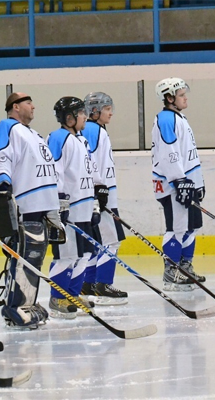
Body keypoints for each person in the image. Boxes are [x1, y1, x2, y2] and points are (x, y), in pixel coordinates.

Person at [0, 92, 61, 329]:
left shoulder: (33, 134)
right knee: (25, 255)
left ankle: (27, 302)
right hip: (26, 204)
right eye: (29, 102)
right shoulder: (8, 127)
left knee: (34, 256)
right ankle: (14, 305)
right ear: (15, 107)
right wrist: (4, 186)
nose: (33, 106)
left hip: (41, 203)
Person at [46, 96, 101, 318]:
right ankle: (57, 297)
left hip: (85, 206)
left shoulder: (81, 140)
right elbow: (54, 170)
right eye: (81, 113)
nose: (85, 116)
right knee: (67, 255)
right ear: (69, 118)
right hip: (69, 207)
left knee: (85, 253)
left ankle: (72, 293)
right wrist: (59, 201)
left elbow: (89, 171)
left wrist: (96, 199)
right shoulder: (58, 138)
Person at [151, 77, 206, 292]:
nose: (186, 99)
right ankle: (171, 271)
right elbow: (169, 152)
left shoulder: (179, 118)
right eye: (181, 95)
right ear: (169, 97)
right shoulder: (166, 118)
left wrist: (197, 182)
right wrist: (179, 180)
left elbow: (188, 155)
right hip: (173, 184)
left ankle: (184, 267)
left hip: (188, 182)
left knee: (191, 227)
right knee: (176, 229)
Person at [80, 92, 128, 305]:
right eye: (107, 109)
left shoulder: (94, 130)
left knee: (97, 241)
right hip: (101, 195)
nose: (111, 113)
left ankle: (88, 284)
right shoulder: (94, 130)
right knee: (111, 240)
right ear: (95, 111)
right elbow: (90, 163)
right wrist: (99, 191)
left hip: (96, 194)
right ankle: (103, 284)